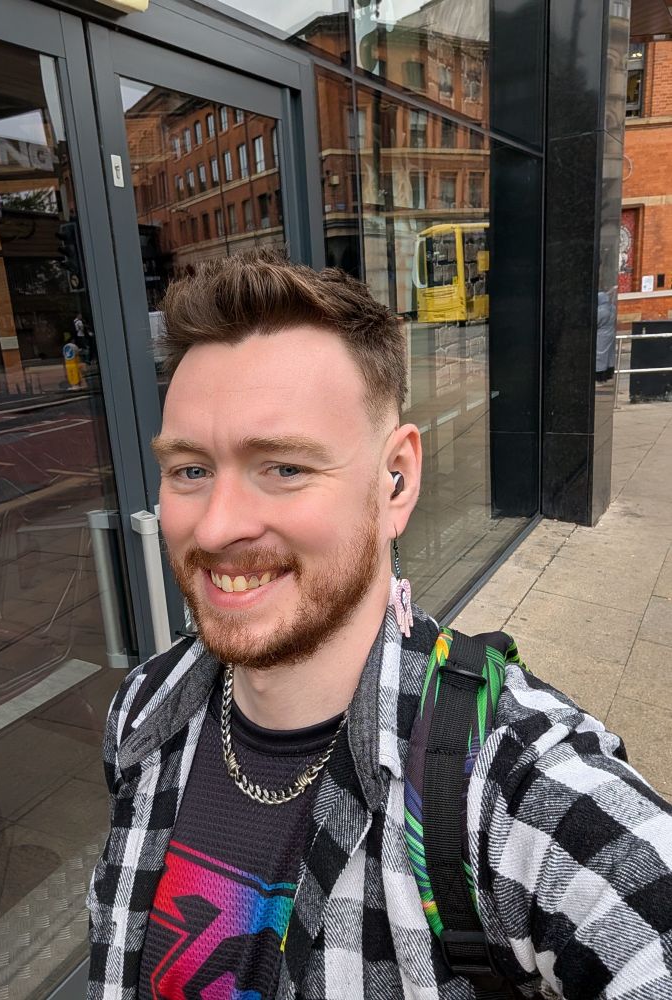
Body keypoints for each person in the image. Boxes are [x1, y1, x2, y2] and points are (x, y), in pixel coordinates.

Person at [87, 250, 672, 1000]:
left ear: (396, 480)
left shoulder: (505, 787)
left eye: (285, 468)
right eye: (191, 470)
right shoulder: (143, 713)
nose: (217, 525)